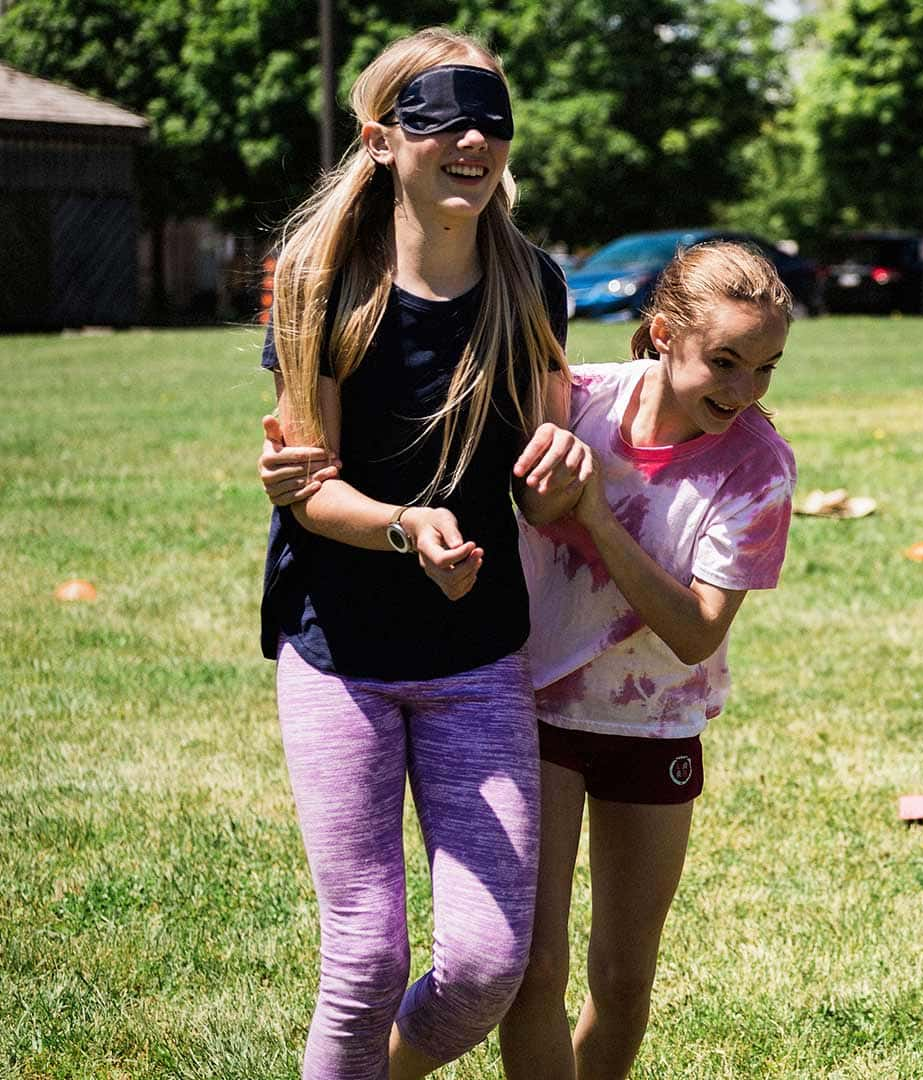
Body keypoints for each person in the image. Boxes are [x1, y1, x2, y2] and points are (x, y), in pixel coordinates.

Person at [253, 26, 592, 1080]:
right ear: (383, 138)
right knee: (363, 956)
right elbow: (307, 488)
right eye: (442, 116)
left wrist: (563, 478)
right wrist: (405, 525)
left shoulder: (530, 283)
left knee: (491, 965)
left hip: (476, 658)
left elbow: (547, 469)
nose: (472, 139)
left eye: (491, 117)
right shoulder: (320, 281)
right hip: (339, 656)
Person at [496, 241, 795, 1079]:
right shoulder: (572, 402)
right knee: (534, 970)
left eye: (766, 368)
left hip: (655, 723)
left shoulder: (758, 469)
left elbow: (697, 633)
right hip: (540, 710)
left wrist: (595, 515)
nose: (742, 393)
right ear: (663, 334)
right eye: (724, 362)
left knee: (623, 980)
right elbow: (508, 495)